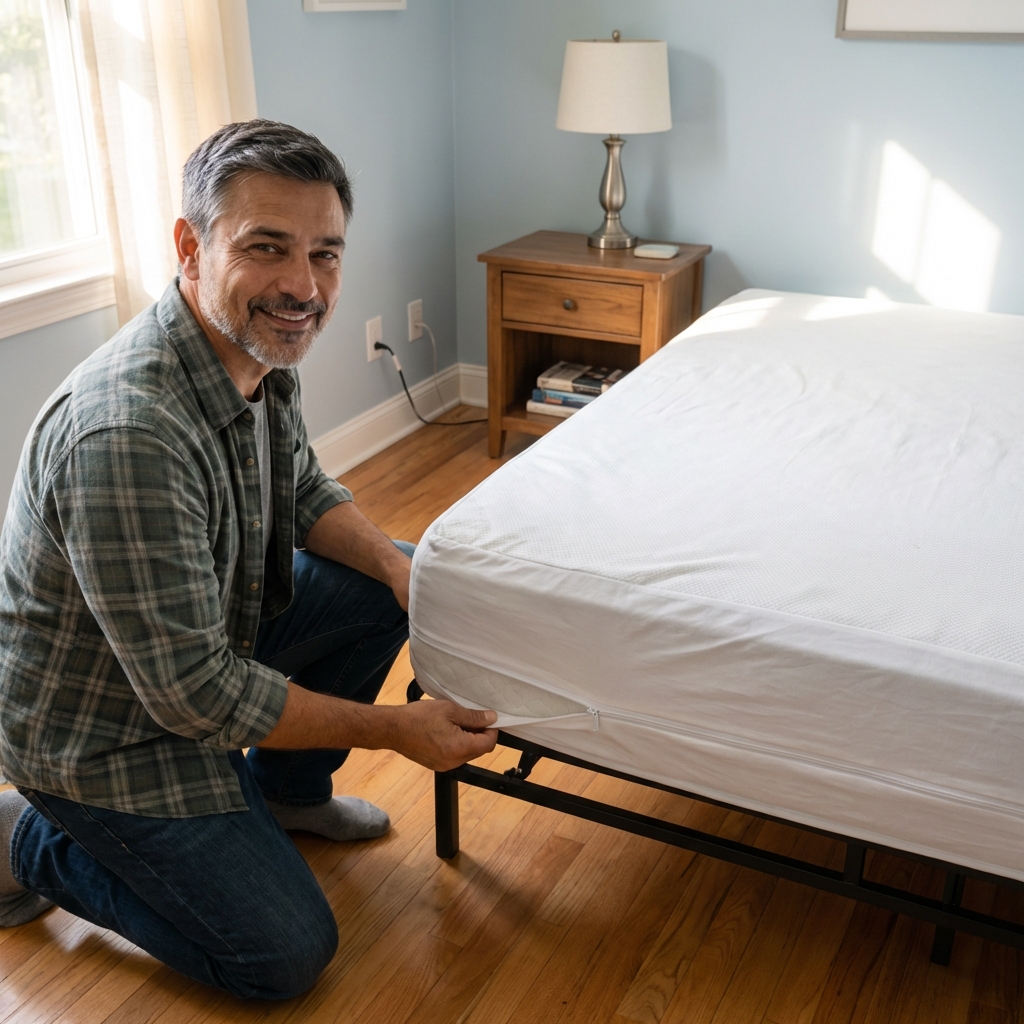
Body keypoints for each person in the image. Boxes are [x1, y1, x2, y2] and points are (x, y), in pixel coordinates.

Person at [0, 119, 497, 999]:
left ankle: (289, 792)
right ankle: (25, 842)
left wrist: (396, 568)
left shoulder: (260, 350)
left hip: (193, 658)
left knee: (389, 571)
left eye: (326, 254)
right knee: (281, 956)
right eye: (267, 248)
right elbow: (198, 695)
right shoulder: (129, 435)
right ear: (191, 247)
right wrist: (395, 731)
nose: (304, 286)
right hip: (102, 736)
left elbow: (302, 486)